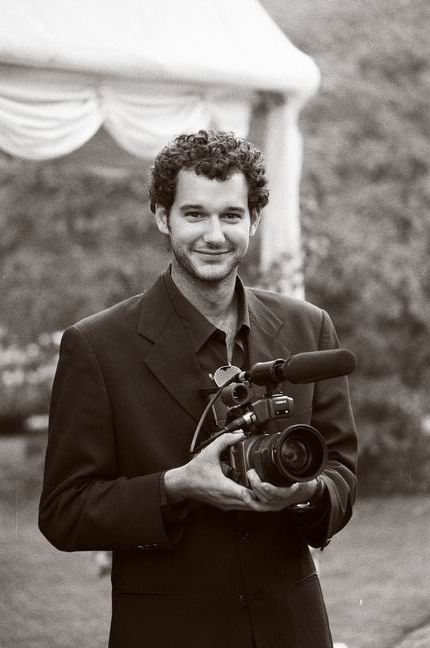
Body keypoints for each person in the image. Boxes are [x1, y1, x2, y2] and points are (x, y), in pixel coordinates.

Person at [39, 130, 357, 648]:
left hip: (293, 631)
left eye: (231, 215)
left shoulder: (310, 327)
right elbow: (63, 512)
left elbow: (341, 471)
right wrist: (175, 487)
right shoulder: (95, 346)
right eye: (194, 214)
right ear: (162, 216)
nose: (214, 235)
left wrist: (309, 493)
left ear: (254, 219)